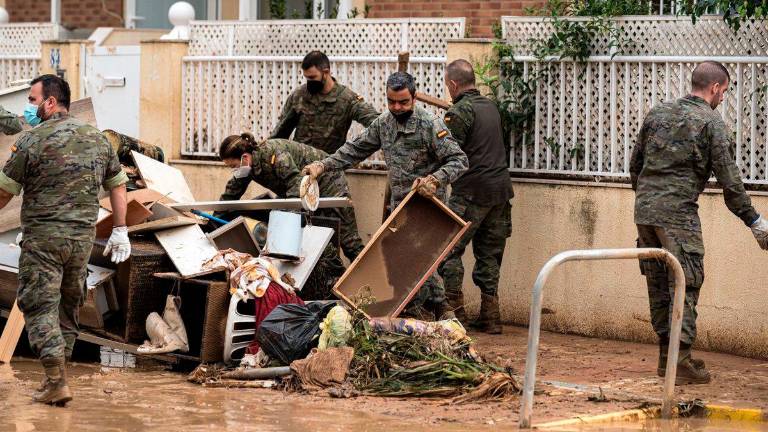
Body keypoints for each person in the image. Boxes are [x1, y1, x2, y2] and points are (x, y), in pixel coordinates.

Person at [630, 61, 768, 384]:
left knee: (658, 282)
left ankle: (667, 359)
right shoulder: (711, 123)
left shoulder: (657, 113)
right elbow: (731, 184)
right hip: (678, 215)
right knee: (686, 280)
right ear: (716, 88)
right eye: (725, 92)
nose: (723, 98)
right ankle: (682, 362)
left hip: (644, 212)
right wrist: (755, 221)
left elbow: (635, 166)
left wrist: (649, 200)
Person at [0, 75, 130, 405]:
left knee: (39, 306)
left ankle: (56, 380)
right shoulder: (98, 140)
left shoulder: (32, 141)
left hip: (43, 241)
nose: (29, 107)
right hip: (81, 241)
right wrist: (121, 229)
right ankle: (57, 378)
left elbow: (3, 192)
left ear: (51, 102)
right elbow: (118, 184)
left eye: (32, 100)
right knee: (68, 307)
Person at [302, 71, 469, 319]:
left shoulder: (430, 124)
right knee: (399, 260)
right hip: (399, 207)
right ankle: (415, 313)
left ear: (414, 98)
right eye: (391, 102)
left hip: (426, 206)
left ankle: (442, 311)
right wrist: (323, 165)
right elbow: (354, 150)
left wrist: (435, 180)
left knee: (420, 259)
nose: (397, 107)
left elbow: (459, 160)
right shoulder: (384, 123)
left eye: (403, 102)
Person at [436, 59, 513, 334]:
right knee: (489, 254)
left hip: (470, 192)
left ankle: (456, 315)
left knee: (449, 251)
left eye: (448, 86)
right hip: (500, 192)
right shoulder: (491, 107)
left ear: (453, 84)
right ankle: (491, 316)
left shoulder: (458, 112)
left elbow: (446, 153)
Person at [218, 133, 365, 262]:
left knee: (348, 241)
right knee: (317, 245)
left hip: (328, 181)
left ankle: (369, 281)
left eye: (233, 166)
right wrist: (212, 221)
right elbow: (231, 194)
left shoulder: (274, 153)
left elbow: (295, 185)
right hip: (303, 188)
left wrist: (282, 225)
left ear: (244, 157)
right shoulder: (247, 166)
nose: (234, 171)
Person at [270, 50, 380, 154]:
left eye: (312, 77)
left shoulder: (346, 99)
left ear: (326, 72)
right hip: (299, 165)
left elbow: (375, 121)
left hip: (328, 166)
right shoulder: (299, 95)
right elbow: (280, 131)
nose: (309, 82)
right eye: (307, 78)